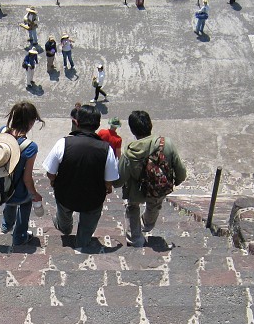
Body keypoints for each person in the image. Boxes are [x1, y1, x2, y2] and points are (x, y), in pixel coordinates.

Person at [43, 104, 119, 252]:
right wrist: (107, 187)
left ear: (77, 123)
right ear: (97, 125)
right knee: (88, 224)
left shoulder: (63, 143)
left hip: (66, 195)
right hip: (93, 199)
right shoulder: (106, 149)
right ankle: (82, 243)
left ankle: (64, 228)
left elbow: (50, 172)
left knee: (64, 216)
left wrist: (53, 181)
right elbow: (109, 180)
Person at [114, 110, 187, 247]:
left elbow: (119, 181)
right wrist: (174, 181)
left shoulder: (130, 153)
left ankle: (135, 239)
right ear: (150, 125)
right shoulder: (167, 144)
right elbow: (181, 172)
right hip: (158, 187)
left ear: (132, 130)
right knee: (154, 205)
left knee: (132, 207)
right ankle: (146, 226)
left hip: (137, 191)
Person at [0, 101, 44, 247]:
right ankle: (19, 236)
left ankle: (6, 225)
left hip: (2, 188)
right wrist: (34, 193)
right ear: (31, 121)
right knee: (25, 204)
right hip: (19, 190)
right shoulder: (30, 147)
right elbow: (27, 178)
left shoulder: (3, 132)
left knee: (10, 204)